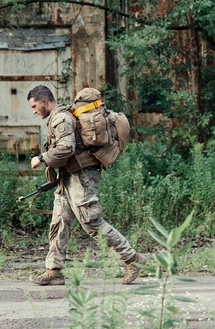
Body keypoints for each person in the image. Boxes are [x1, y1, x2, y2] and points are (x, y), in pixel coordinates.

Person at [26, 85, 146, 286]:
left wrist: (42, 158)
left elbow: (66, 148)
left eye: (35, 106)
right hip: (68, 177)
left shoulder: (60, 118)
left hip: (81, 177)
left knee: (91, 222)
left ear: (45, 102)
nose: (34, 110)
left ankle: (133, 259)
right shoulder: (60, 116)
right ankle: (54, 270)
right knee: (59, 222)